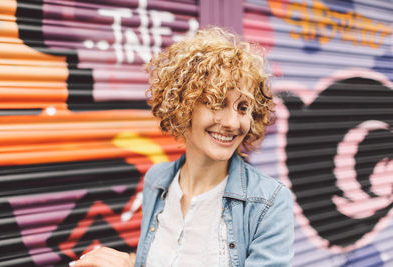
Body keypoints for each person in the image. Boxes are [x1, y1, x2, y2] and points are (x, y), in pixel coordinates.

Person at [71, 27, 294, 267]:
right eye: (217, 102)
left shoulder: (268, 202)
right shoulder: (157, 181)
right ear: (183, 107)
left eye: (242, 108)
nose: (231, 123)